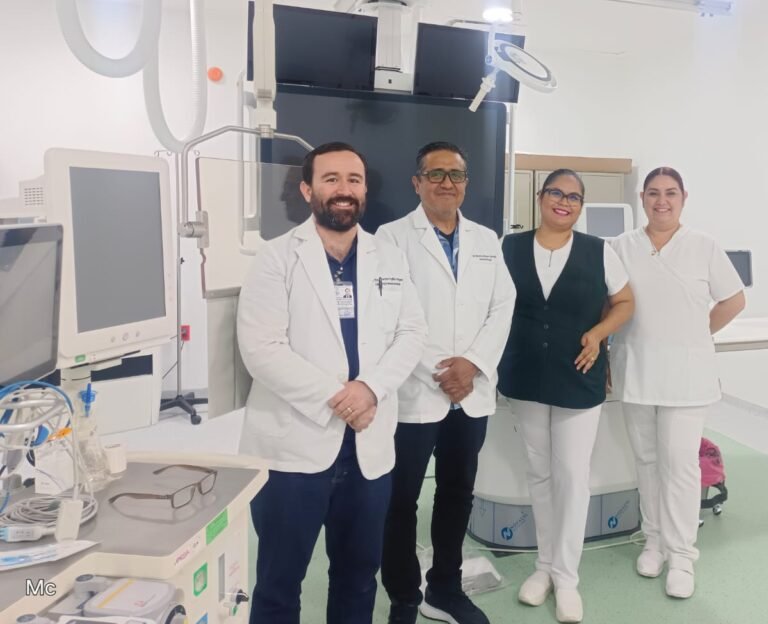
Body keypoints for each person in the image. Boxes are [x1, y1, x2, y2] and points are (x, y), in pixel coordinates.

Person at [237, 141, 428, 624]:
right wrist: (341, 398)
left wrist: (370, 390)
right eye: (331, 179)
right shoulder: (276, 257)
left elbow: (411, 333)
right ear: (307, 190)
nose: (344, 189)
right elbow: (261, 349)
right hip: (293, 451)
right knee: (279, 584)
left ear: (364, 191)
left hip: (367, 451)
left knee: (358, 577)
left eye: (354, 180)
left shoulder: (388, 256)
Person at [377, 142, 516, 624]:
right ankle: (403, 596)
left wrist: (472, 364)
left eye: (455, 175)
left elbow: (503, 306)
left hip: (469, 396)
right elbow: (391, 314)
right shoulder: (391, 238)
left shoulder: (486, 239)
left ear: (466, 184)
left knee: (457, 494)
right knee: (401, 499)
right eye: (435, 174)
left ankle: (445, 588)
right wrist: (442, 371)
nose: (446, 183)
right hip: (416, 392)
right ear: (417, 183)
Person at [498, 169, 635, 624]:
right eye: (556, 192)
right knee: (539, 473)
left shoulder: (600, 251)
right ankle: (543, 567)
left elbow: (626, 303)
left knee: (573, 476)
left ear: (581, 206)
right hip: (525, 375)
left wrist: (598, 334)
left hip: (578, 376)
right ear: (541, 197)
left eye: (574, 197)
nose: (564, 201)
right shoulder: (509, 247)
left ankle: (567, 578)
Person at [609, 166, 745, 600]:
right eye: (653, 193)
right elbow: (608, 303)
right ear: (641, 198)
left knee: (681, 465)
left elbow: (734, 300)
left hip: (686, 375)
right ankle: (654, 542)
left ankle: (682, 555)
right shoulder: (621, 246)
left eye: (670, 193)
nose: (661, 201)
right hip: (636, 368)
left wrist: (698, 333)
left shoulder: (703, 246)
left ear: (684, 198)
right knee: (646, 461)